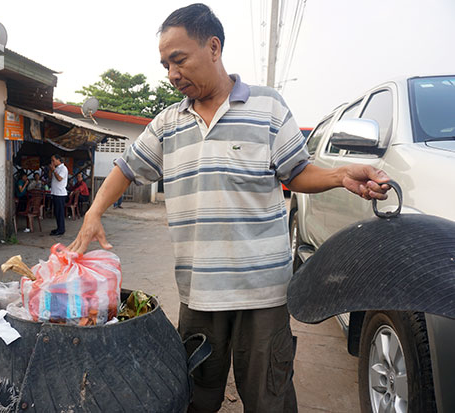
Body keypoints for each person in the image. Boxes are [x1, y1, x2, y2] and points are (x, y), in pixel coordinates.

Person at [68, 4, 391, 412]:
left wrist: (340, 174)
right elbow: (126, 168)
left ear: (214, 47)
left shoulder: (269, 107)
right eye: (166, 64)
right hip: (198, 293)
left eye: (179, 59)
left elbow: (297, 172)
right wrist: (94, 211)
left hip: (264, 293)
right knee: (194, 397)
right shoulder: (168, 123)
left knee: (267, 397)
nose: (171, 73)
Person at [49, 154, 68, 235]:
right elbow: (50, 178)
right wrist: (51, 170)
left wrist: (53, 170)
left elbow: (59, 178)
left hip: (60, 193)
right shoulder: (56, 168)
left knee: (60, 212)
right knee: (57, 212)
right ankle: (58, 228)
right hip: (55, 192)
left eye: (53, 160)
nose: (52, 162)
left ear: (58, 160)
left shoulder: (63, 168)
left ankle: (61, 230)